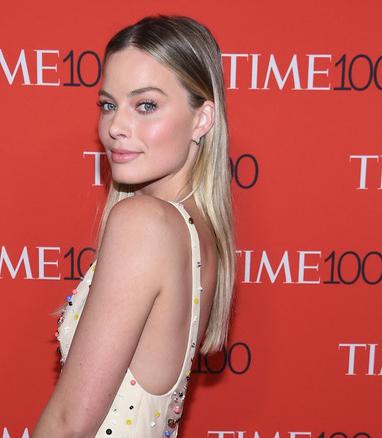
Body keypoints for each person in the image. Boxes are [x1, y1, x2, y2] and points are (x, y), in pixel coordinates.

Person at [33, 15, 235, 438]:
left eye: (146, 105)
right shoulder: (198, 233)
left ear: (202, 119)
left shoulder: (143, 223)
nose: (115, 128)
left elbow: (71, 424)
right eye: (109, 105)